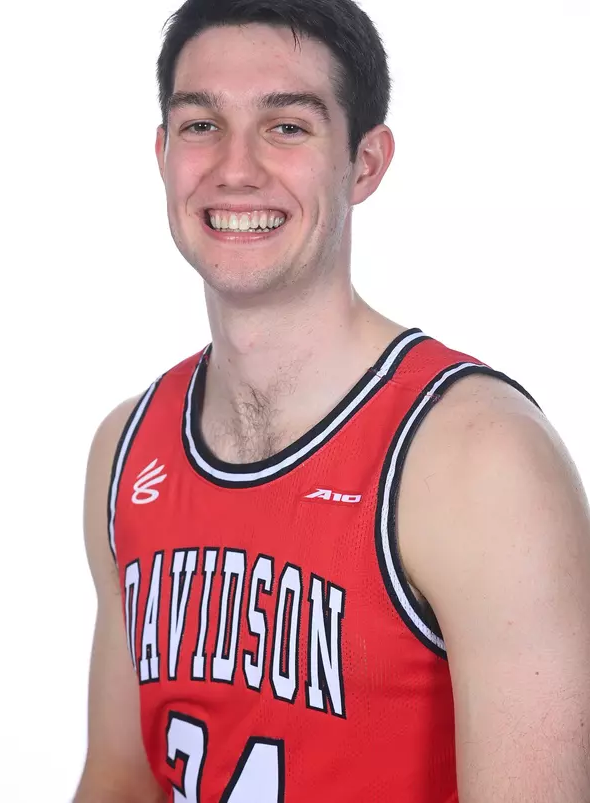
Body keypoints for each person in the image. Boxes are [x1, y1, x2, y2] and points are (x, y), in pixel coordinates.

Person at [73, 1, 590, 801]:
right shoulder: (126, 447)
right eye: (201, 124)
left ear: (365, 162)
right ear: (162, 151)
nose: (234, 169)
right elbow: (118, 781)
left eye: (286, 127)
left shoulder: (476, 459)